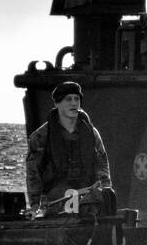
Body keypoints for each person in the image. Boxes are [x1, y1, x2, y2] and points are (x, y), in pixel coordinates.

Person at [25, 81, 112, 217]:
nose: (73, 103)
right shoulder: (40, 137)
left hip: (86, 197)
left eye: (76, 99)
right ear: (57, 103)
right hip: (56, 200)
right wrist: (35, 204)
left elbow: (102, 166)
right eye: (68, 99)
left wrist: (106, 193)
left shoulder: (91, 134)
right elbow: (33, 174)